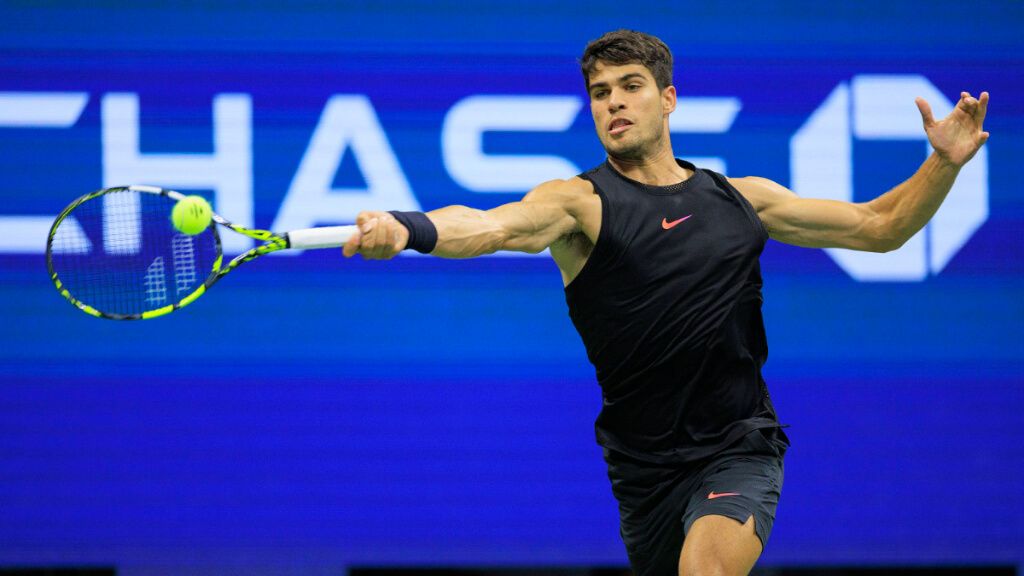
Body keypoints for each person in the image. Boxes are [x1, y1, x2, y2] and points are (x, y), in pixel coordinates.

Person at [340, 30, 989, 576]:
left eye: (630, 86)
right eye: (600, 93)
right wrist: (409, 228)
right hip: (643, 470)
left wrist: (944, 164)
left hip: (739, 445)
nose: (613, 103)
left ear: (668, 98)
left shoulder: (742, 199)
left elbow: (880, 228)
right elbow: (490, 225)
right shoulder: (578, 205)